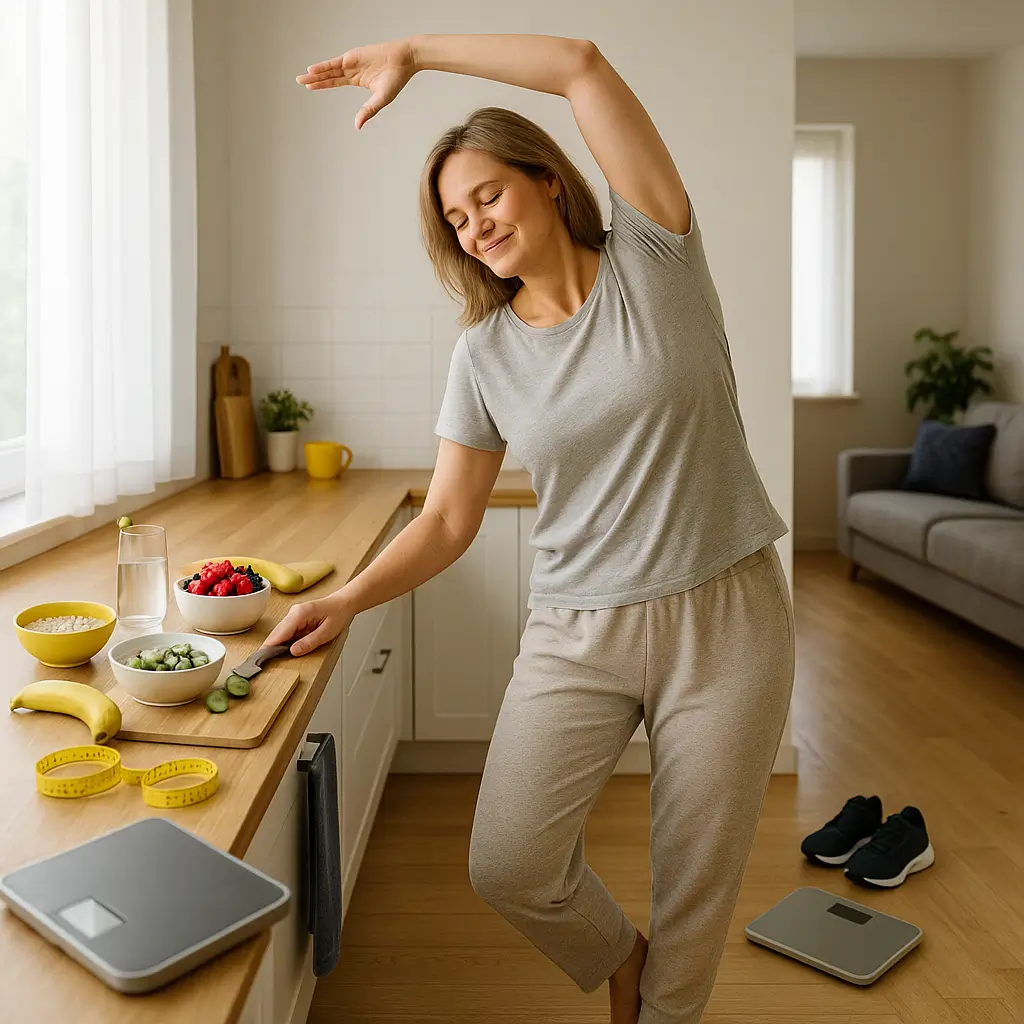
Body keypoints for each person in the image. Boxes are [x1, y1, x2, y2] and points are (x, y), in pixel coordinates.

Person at [266, 32, 795, 1024]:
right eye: (456, 220)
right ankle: (618, 960)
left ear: (548, 182)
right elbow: (450, 518)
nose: (474, 227)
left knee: (696, 880)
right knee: (509, 861)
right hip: (576, 632)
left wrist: (417, 53)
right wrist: (343, 597)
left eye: (488, 197)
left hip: (725, 616)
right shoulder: (485, 353)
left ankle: (662, 1011)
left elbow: (581, 66)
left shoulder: (657, 257)